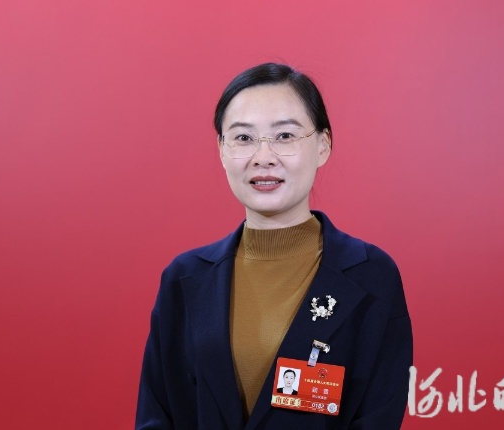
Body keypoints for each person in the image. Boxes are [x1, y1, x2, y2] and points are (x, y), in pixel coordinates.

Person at [136, 63, 412, 429]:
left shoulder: (371, 275)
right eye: (243, 138)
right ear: (222, 150)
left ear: (323, 145)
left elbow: (378, 415)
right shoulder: (183, 279)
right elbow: (157, 415)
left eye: (284, 136)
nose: (263, 157)